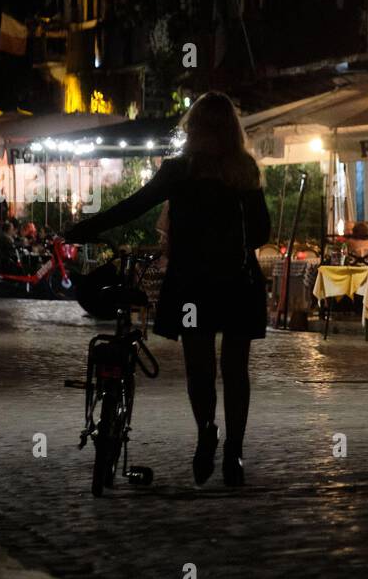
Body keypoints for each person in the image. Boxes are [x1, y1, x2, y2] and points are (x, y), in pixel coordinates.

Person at [64, 91, 271, 488]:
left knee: (200, 368)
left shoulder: (180, 170)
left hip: (193, 281)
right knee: (235, 369)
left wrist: (86, 228)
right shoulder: (244, 170)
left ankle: (206, 432)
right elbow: (262, 232)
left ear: (192, 129)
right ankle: (235, 452)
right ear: (232, 130)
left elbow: (134, 205)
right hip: (236, 281)